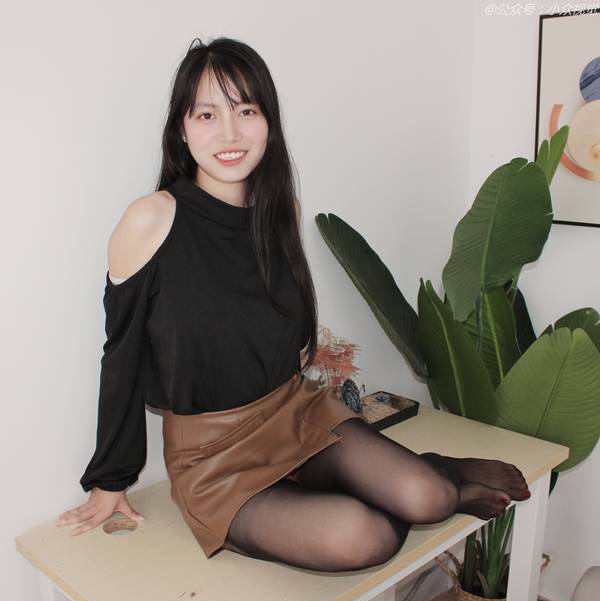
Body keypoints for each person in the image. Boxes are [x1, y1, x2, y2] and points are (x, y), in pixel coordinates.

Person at [55, 36, 531, 572]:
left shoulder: (281, 211)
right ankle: (397, 484)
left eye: (246, 111)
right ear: (181, 130)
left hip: (294, 414)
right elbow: (120, 354)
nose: (230, 133)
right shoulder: (151, 219)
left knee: (431, 498)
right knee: (365, 538)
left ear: (269, 122)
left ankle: (435, 474)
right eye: (207, 114)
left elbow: (286, 321)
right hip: (214, 458)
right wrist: (110, 481)